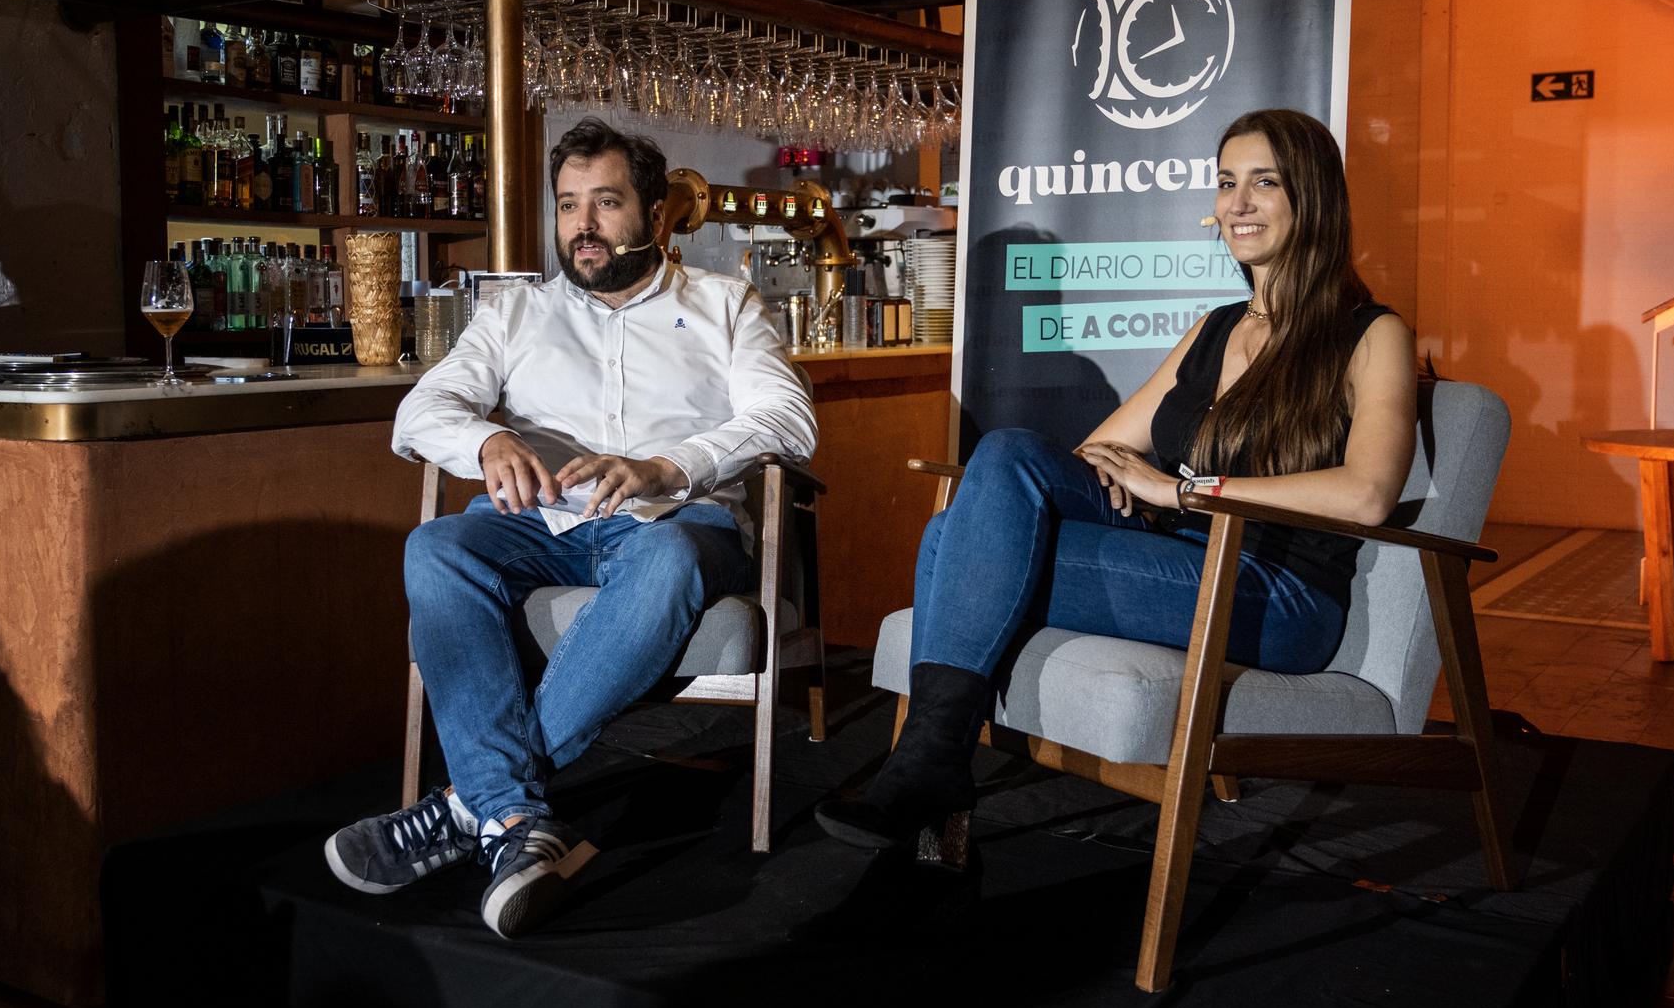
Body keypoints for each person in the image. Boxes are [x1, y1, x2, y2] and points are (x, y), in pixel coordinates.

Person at [817, 108, 1418, 850]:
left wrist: (1182, 490)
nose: (1237, 203)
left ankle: (928, 765)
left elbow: (1367, 493)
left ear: (1314, 198)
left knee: (953, 539)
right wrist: (1135, 483)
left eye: (1264, 183)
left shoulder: (1372, 333)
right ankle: (932, 763)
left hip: (1275, 589)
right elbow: (1101, 449)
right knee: (1004, 454)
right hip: (1181, 559)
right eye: (1227, 182)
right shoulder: (1215, 329)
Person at [325, 118, 817, 937]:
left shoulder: (726, 302)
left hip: (670, 520)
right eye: (567, 206)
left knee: (664, 556)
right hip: (539, 523)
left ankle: (469, 808)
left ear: (656, 217)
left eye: (607, 203)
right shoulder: (517, 313)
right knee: (436, 545)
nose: (582, 226)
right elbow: (419, 412)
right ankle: (514, 820)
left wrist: (671, 466)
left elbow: (789, 420)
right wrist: (489, 438)